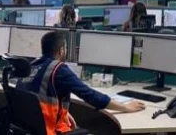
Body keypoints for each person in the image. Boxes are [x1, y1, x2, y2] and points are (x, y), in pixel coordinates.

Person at [17, 31, 145, 134]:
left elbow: (34, 99)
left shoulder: (30, 66)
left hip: (30, 128)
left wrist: (62, 113)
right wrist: (126, 107)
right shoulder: (59, 69)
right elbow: (91, 96)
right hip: (49, 130)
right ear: (61, 50)